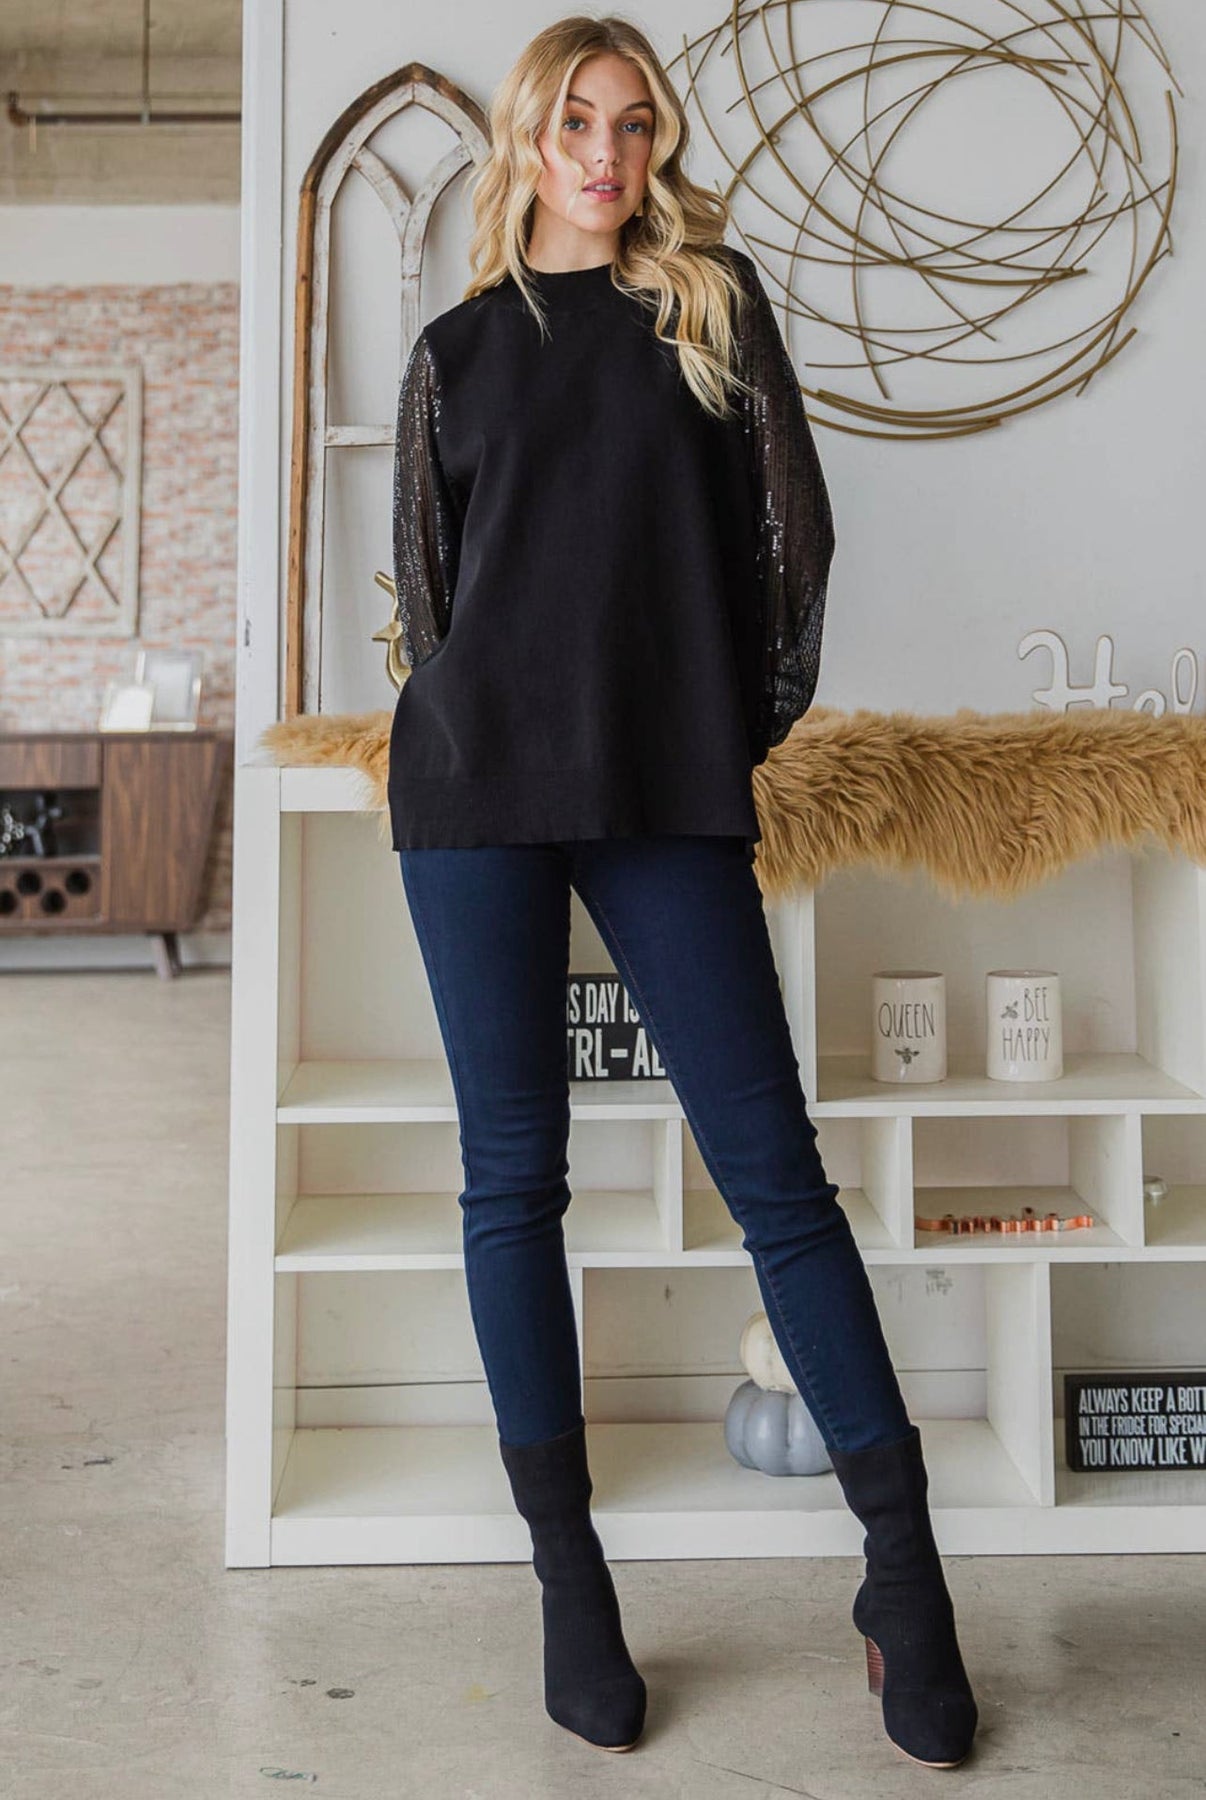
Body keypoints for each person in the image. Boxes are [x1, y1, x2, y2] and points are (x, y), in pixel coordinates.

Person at [388, 12, 978, 1771]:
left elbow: (794, 555)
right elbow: (429, 598)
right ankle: (569, 1582)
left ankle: (906, 1581)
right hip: (477, 792)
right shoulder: (452, 353)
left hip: (663, 790)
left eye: (633, 123)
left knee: (776, 1181)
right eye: (574, 121)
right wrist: (494, 718)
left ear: (658, 144)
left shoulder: (708, 312)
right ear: (525, 138)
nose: (604, 153)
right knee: (512, 1186)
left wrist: (714, 733)